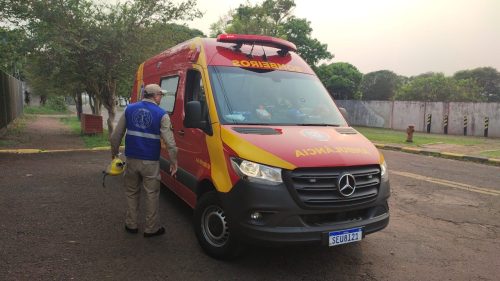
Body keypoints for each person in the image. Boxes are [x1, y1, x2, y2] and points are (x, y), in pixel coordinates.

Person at [110, 84, 178, 238]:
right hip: (150, 163)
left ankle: (131, 225)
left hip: (132, 159)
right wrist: (174, 162)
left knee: (132, 192)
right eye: (161, 95)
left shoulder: (129, 109)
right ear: (155, 96)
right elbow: (170, 143)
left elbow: (115, 136)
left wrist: (114, 154)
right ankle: (151, 228)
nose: (161, 98)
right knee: (151, 194)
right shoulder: (162, 114)